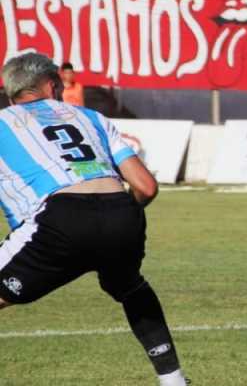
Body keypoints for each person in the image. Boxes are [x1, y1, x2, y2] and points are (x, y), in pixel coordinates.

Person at [0, 53, 187, 386]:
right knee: (129, 286)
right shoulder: (92, 117)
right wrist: (115, 219)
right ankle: (174, 380)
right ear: (51, 85)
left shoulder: (4, 121)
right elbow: (146, 186)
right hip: (120, 211)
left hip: (59, 219)